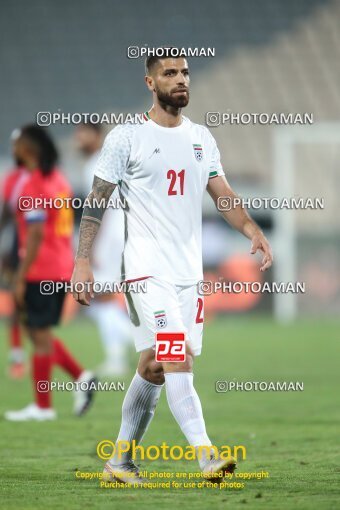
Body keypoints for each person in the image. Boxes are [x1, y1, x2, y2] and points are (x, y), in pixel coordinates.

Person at [71, 52, 273, 483]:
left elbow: (223, 195)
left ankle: (119, 463)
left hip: (188, 274)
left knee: (154, 366)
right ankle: (207, 457)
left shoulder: (201, 137)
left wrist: (251, 229)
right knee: (177, 357)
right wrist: (82, 260)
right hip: (145, 270)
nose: (180, 79)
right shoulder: (127, 137)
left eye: (184, 72)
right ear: (150, 83)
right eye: (169, 73)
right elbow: (97, 200)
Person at [5, 125, 96, 421]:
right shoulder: (59, 180)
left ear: (29, 148)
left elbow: (33, 235)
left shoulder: (33, 185)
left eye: (17, 142)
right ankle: (80, 378)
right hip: (59, 267)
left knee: (39, 337)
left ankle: (43, 406)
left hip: (39, 268)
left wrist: (20, 276)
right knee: (39, 334)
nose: (13, 147)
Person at [74, 122, 131, 376]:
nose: (79, 139)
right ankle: (117, 357)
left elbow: (100, 206)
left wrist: (91, 246)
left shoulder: (97, 163)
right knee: (103, 299)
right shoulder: (109, 161)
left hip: (109, 237)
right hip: (122, 233)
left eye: (84, 134)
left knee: (102, 297)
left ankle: (145, 344)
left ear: (97, 136)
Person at [0, 147, 29, 378]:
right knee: (17, 307)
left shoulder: (44, 178)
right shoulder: (12, 179)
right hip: (17, 251)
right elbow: (7, 215)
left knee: (30, 312)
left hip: (38, 254)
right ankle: (18, 356)